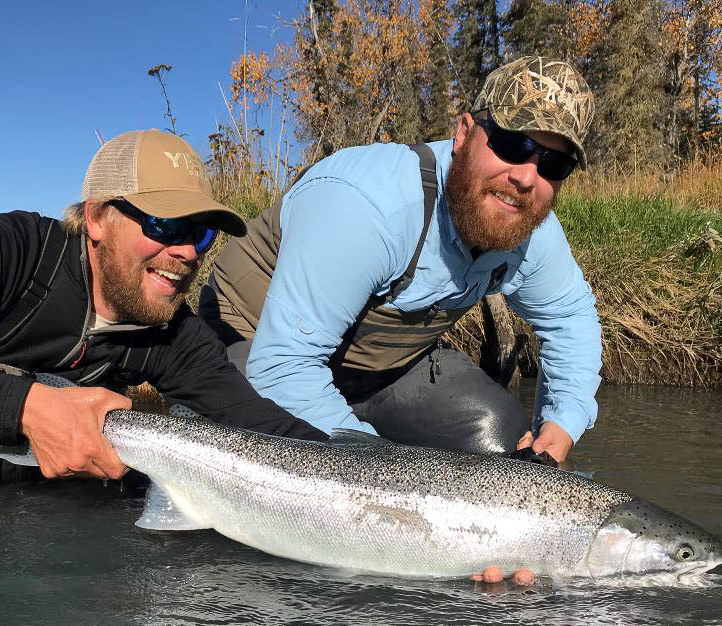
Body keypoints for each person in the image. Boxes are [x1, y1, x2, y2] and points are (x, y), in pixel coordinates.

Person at [0, 129, 327, 489]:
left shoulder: (176, 336)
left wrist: (374, 473)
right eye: (166, 225)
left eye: (201, 232)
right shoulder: (8, 254)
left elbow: (267, 430)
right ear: (98, 218)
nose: (188, 252)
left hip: (51, 517)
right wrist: (28, 407)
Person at [201, 56, 602, 466]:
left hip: (379, 370)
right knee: (244, 477)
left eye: (554, 164)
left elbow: (570, 318)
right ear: (464, 133)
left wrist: (564, 419)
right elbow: (283, 366)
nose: (526, 177)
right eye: (513, 144)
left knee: (501, 436)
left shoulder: (529, 225)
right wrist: (387, 469)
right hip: (257, 342)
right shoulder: (369, 203)